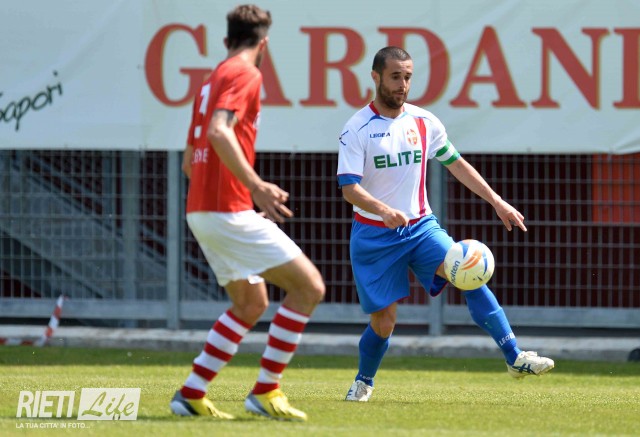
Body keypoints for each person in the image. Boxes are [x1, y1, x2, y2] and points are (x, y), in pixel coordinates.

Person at [336, 46, 554, 402]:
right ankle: (363, 381)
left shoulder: (424, 121)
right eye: (395, 76)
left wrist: (497, 201)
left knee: (468, 272)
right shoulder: (356, 128)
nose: (402, 84)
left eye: (407, 77)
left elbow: (456, 163)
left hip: (421, 228)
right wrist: (384, 210)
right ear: (375, 77)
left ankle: (515, 357)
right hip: (374, 236)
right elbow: (349, 189)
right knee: (384, 323)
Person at [170, 4, 325, 421]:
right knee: (309, 288)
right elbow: (219, 132)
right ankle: (266, 390)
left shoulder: (211, 80)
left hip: (202, 210)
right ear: (264, 44)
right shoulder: (245, 73)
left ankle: (191, 393)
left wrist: (230, 196)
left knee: (250, 303)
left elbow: (188, 162)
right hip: (226, 211)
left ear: (226, 40)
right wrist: (254, 187)